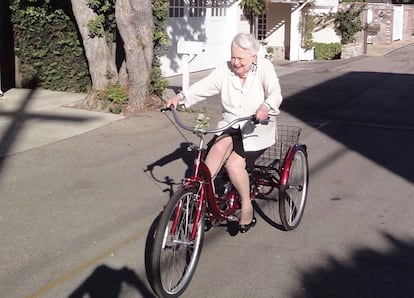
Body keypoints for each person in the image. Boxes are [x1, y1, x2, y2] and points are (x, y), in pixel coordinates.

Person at [165, 33, 283, 233]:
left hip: (256, 128)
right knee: (214, 153)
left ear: (253, 57)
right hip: (230, 124)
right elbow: (203, 87)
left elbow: (275, 93)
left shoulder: (264, 68)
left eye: (241, 59)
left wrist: (265, 107)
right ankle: (201, 199)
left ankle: (246, 206)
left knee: (234, 165)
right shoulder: (224, 70)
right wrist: (180, 97)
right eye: (233, 57)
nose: (235, 63)